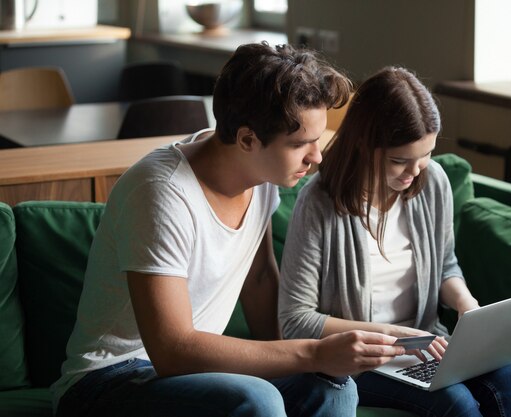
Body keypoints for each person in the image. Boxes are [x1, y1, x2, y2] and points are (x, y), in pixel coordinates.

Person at [51, 43, 407, 417]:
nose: (316, 156)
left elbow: (258, 281)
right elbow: (171, 351)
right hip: (107, 382)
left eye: (317, 139)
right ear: (247, 140)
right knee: (258, 398)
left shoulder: (264, 172)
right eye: (301, 144)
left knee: (330, 385)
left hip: (197, 374)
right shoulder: (161, 193)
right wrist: (313, 352)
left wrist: (307, 364)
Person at [278, 66, 511, 417]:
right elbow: (295, 320)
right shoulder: (318, 202)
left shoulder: (433, 182)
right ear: (364, 146)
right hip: (361, 359)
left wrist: (467, 306)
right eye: (400, 161)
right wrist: (397, 337)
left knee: (510, 381)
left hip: (428, 343)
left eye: (425, 157)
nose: (415, 172)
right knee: (455, 402)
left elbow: (445, 265)